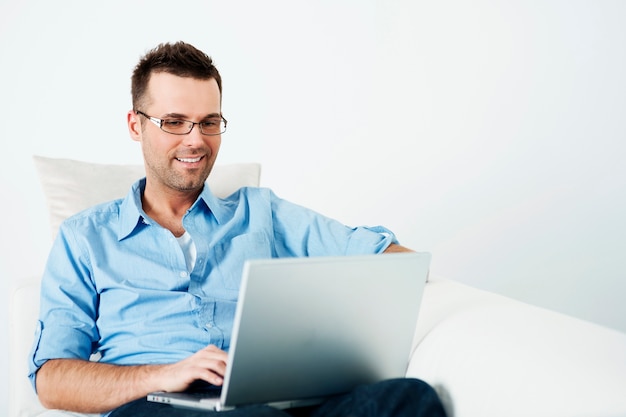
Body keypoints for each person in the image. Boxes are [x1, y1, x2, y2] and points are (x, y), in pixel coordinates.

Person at [28, 41, 446, 417]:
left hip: (263, 401)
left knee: (409, 398)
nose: (196, 140)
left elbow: (388, 261)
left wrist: (402, 273)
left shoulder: (260, 213)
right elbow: (52, 380)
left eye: (209, 122)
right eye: (174, 122)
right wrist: (163, 375)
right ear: (136, 126)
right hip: (155, 408)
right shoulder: (84, 238)